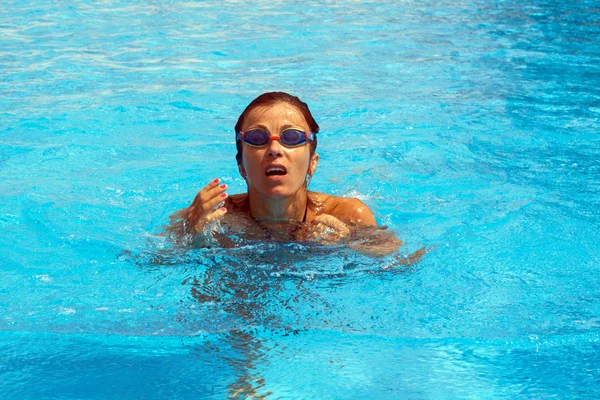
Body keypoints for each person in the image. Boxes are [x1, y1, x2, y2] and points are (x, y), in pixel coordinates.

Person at [170, 92, 419, 258]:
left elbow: (401, 263)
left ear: (312, 163)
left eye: (292, 138)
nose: (275, 149)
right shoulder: (211, 216)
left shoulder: (349, 216)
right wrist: (193, 236)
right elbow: (152, 263)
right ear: (241, 165)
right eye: (258, 139)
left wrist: (348, 246)